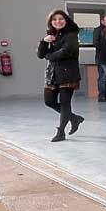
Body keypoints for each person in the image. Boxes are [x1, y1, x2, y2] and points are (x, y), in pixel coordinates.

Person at [37, 9, 84, 142]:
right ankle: (74, 118)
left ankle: (61, 132)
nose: (58, 21)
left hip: (68, 74)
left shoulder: (72, 34)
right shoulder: (51, 35)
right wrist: (44, 41)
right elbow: (40, 55)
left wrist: (49, 56)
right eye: (54, 19)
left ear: (66, 20)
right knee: (49, 101)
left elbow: (66, 51)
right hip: (52, 74)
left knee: (64, 103)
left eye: (61, 19)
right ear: (51, 22)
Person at [93, 14, 106, 101]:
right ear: (102, 21)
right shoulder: (98, 30)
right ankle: (102, 95)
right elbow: (95, 43)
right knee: (103, 76)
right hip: (102, 57)